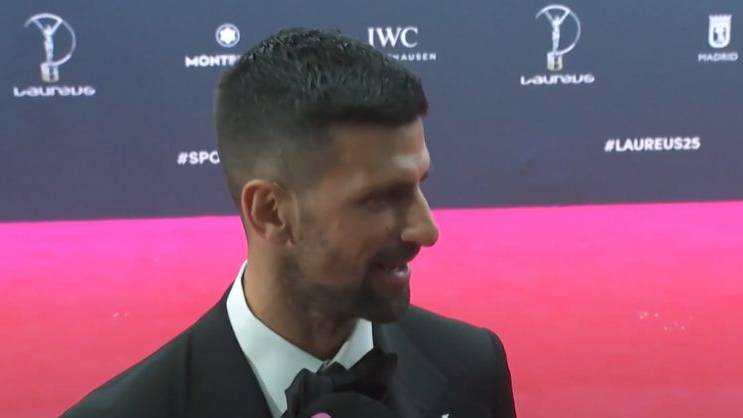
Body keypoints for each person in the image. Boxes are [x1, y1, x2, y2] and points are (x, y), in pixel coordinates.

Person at [63, 28, 516, 418]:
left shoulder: (473, 366)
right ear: (270, 212)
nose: (426, 230)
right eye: (380, 198)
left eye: (419, 184)